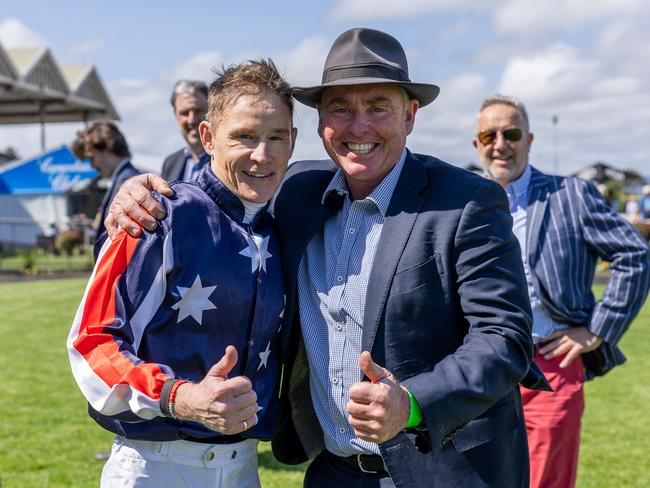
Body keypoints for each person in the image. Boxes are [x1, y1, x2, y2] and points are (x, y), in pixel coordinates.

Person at [105, 28, 548, 488]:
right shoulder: (295, 192)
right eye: (341, 108)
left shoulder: (468, 201)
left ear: (410, 115)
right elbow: (223, 185)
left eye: (378, 107)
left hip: (445, 472)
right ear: (319, 123)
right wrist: (140, 190)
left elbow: (504, 338)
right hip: (334, 473)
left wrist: (412, 403)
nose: (359, 127)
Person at [67, 59, 296, 487]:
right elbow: (91, 342)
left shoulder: (282, 223)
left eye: (276, 137)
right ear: (208, 137)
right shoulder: (158, 214)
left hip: (244, 465)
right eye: (244, 136)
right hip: (155, 466)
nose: (262, 154)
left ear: (293, 141)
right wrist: (180, 396)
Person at [472, 94, 650, 488]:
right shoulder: (462, 200)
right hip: (480, 366)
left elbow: (635, 255)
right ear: (476, 144)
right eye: (488, 135)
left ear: (530, 139)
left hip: (550, 361)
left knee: (546, 480)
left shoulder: (570, 195)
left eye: (511, 133)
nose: (500, 144)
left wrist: (597, 329)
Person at [71, 121, 140, 255]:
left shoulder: (128, 182)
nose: (92, 166)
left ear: (107, 148)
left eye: (92, 158)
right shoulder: (122, 180)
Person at [161, 79, 210, 182]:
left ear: (211, 111)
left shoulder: (224, 160)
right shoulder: (170, 163)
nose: (191, 120)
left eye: (198, 111)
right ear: (175, 114)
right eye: (184, 113)